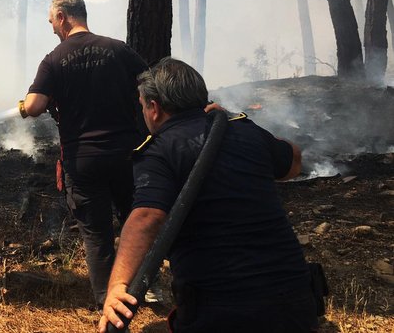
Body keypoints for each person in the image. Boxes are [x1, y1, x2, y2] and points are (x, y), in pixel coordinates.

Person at [100, 58, 318, 333]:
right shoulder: (245, 130)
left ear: (154, 108)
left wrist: (118, 285)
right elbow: (294, 162)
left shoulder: (159, 150)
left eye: (142, 105)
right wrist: (234, 120)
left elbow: (147, 217)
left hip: (222, 310)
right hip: (295, 301)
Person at [18, 0, 149, 307]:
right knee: (136, 221)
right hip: (126, 155)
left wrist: (23, 106)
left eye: (51, 21)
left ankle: (109, 303)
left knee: (96, 235)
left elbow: (35, 106)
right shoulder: (118, 49)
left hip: (84, 160)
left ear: (62, 17)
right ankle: (147, 285)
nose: (51, 27)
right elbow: (151, 83)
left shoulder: (54, 59)